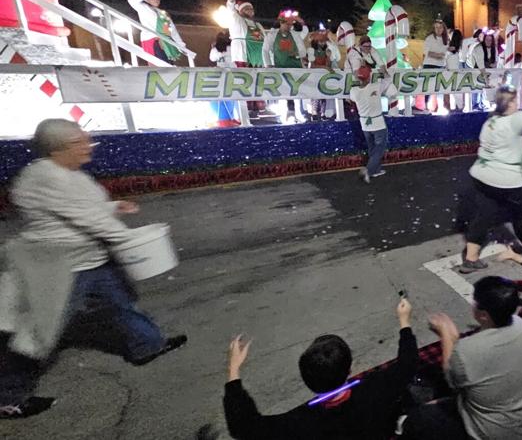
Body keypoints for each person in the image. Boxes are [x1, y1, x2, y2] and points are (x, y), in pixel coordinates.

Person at [0, 119, 187, 419]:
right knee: (37, 335)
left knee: (122, 304)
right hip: (60, 268)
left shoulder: (68, 173)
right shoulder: (47, 178)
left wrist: (113, 207)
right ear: (60, 148)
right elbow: (87, 219)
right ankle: (7, 396)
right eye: (82, 141)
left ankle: (148, 345)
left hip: (91, 259)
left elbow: (84, 210)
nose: (89, 146)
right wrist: (130, 238)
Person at [222, 296, 418, 439]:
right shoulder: (376, 388)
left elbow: (244, 427)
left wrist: (233, 369)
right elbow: (408, 364)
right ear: (350, 370)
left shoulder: (298, 423)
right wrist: (404, 321)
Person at [403, 276, 522, 440]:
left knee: (419, 418)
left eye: (475, 302)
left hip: (498, 433)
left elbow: (453, 382)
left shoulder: (466, 351)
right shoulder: (520, 324)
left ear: (483, 315)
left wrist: (447, 336)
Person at [459, 72, 522, 273]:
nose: (518, 102)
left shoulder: (491, 121)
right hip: (507, 181)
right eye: (516, 99)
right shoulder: (512, 121)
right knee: (519, 216)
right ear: (508, 104)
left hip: (482, 176)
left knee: (483, 216)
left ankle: (471, 258)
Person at [262, 13, 309, 123]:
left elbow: (303, 49)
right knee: (284, 91)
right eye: (287, 24)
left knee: (297, 91)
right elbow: (265, 50)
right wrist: (268, 64)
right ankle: (285, 113)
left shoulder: (295, 35)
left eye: (290, 24)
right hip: (280, 68)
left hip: (295, 67)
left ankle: (299, 113)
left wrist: (296, 54)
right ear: (281, 23)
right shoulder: (272, 35)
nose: (289, 26)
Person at [127, 0, 186, 64]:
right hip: (153, 41)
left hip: (167, 42)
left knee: (169, 67)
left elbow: (171, 30)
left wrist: (181, 45)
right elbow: (131, 0)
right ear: (147, 0)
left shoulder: (164, 14)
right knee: (159, 66)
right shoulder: (143, 8)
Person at [352, 58, 389, 183]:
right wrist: (383, 70)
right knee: (379, 148)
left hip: (365, 124)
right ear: (369, 77)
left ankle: (375, 170)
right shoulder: (376, 87)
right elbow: (388, 80)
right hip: (377, 123)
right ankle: (368, 170)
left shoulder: (354, 91)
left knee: (372, 148)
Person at [225, 0, 264, 68]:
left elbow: (265, 38)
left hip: (257, 56)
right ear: (240, 11)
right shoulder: (237, 20)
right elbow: (231, 10)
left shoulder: (258, 24)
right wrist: (231, 0)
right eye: (247, 8)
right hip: (242, 54)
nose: (250, 10)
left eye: (251, 9)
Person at [307, 29, 342, 121]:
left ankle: (323, 113)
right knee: (315, 95)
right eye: (320, 41)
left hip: (323, 76)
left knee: (323, 95)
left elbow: (329, 65)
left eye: (323, 41)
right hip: (314, 76)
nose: (322, 43)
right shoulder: (311, 50)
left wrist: (329, 58)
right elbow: (313, 65)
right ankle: (314, 113)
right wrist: (325, 68)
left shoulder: (326, 51)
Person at [208, 32, 240, 127]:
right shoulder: (232, 48)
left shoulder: (215, 49)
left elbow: (212, 59)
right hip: (233, 74)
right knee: (233, 97)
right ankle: (233, 117)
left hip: (221, 75)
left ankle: (224, 119)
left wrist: (213, 47)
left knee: (222, 97)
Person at [422, 19, 450, 113]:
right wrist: (438, 55)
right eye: (436, 27)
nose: (438, 29)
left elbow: (446, 53)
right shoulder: (429, 38)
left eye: (440, 27)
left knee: (440, 87)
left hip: (441, 66)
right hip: (429, 65)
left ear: (443, 28)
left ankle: (440, 106)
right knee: (428, 87)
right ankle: (426, 106)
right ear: (434, 28)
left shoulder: (446, 39)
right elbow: (426, 52)